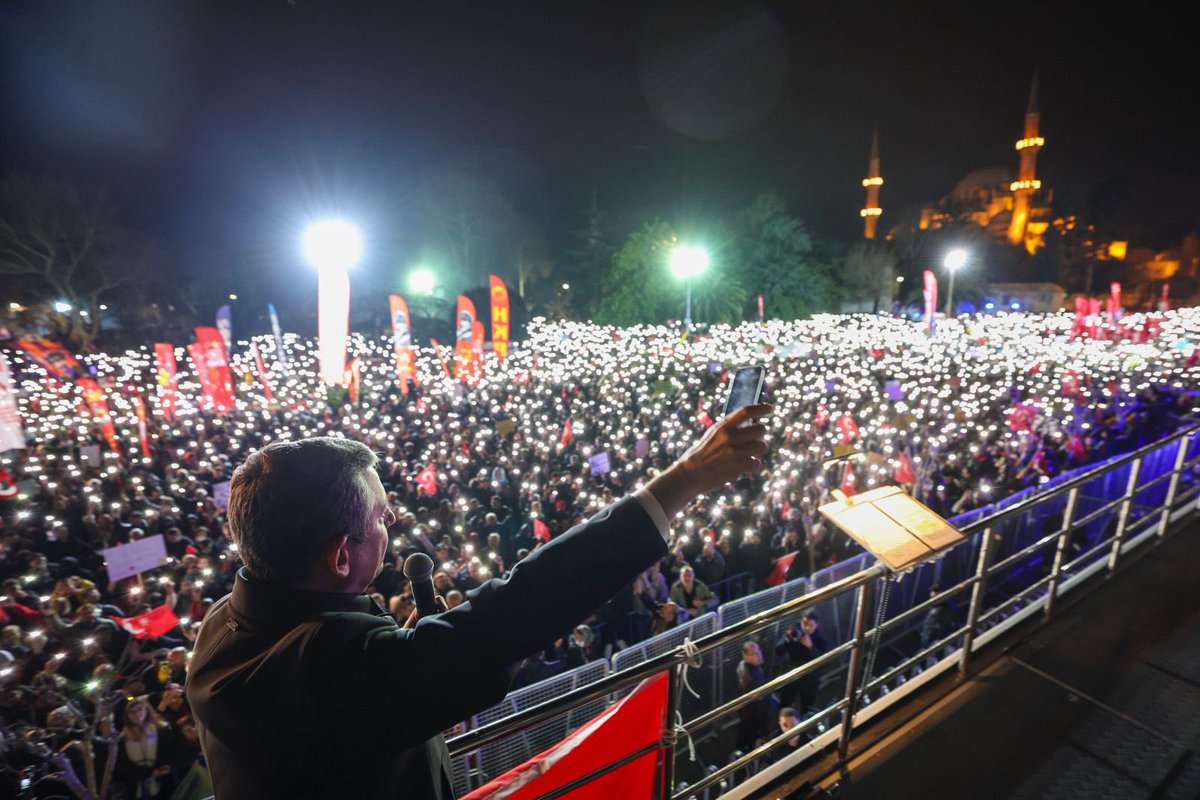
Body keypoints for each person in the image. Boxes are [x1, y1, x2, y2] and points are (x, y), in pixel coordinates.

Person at [187, 405, 772, 799]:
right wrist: (686, 477)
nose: (393, 522)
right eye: (380, 516)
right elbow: (519, 608)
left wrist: (409, 658)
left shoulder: (221, 627)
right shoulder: (334, 668)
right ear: (341, 556)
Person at [776, 612, 827, 713]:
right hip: (791, 678)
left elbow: (824, 663)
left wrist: (811, 647)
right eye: (804, 624)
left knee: (807, 709)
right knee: (785, 706)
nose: (807, 628)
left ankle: (805, 726)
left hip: (809, 682)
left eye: (811, 625)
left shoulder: (820, 640)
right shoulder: (794, 633)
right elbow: (778, 651)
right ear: (800, 622)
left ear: (817, 624)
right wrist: (787, 639)